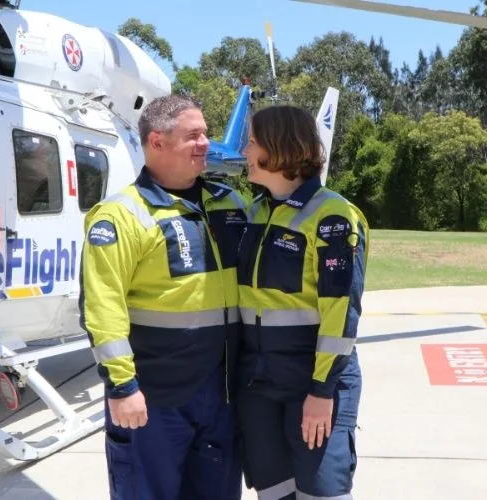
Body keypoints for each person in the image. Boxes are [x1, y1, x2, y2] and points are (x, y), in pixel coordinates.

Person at [79, 94, 247, 500]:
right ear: (156, 142)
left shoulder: (231, 204)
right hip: (153, 399)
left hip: (222, 395)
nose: (206, 143)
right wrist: (122, 387)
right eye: (193, 135)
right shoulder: (120, 216)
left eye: (205, 133)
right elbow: (103, 307)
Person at [236, 105, 370, 499]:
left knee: (322, 491)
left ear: (279, 149)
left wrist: (321, 391)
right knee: (273, 493)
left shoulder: (333, 216)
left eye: (253, 142)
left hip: (311, 383)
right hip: (258, 383)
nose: (245, 150)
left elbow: (341, 311)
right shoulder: (255, 212)